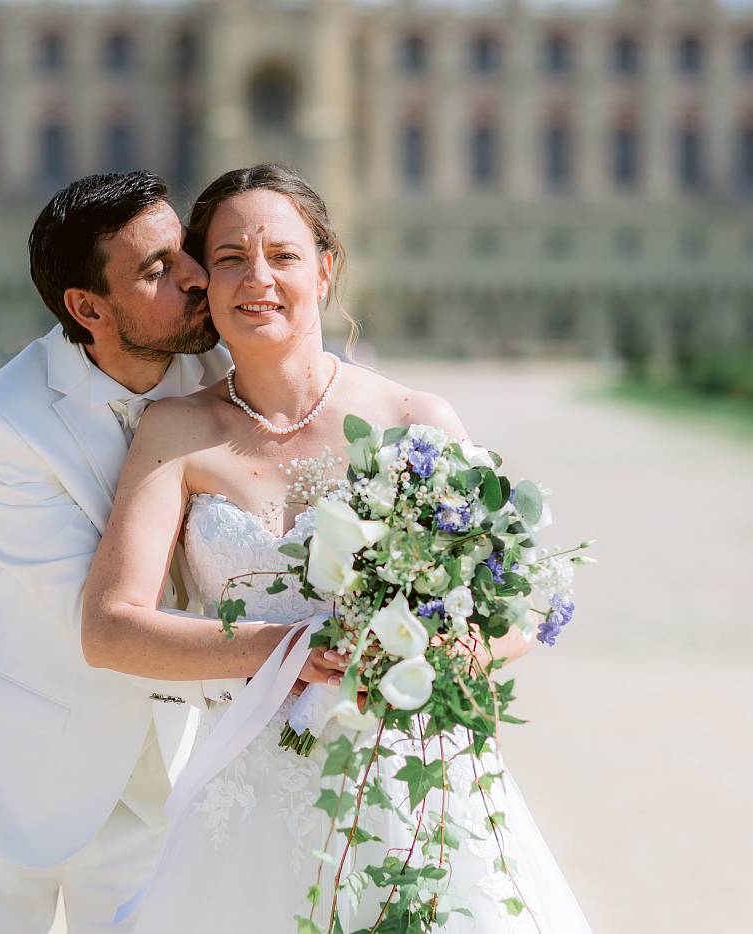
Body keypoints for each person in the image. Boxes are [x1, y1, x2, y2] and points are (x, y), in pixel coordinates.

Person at [81, 164, 594, 932]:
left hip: (415, 788)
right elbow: (109, 628)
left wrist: (439, 655)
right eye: (230, 257)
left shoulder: (414, 418)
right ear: (206, 284)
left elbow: (512, 610)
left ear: (323, 271)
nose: (258, 277)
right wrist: (284, 649)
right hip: (250, 797)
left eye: (283, 255)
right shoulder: (176, 431)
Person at [0, 171, 342, 934]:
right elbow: (97, 623)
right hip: (10, 786)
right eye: (158, 270)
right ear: (88, 308)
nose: (196, 277)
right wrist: (285, 652)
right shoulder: (4, 420)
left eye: (186, 251)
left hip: (165, 790)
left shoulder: (224, 372)